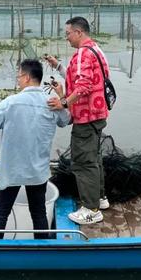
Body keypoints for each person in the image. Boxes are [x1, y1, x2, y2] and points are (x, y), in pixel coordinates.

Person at [0, 59, 70, 239]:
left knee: (1, 212)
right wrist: (62, 96)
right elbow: (66, 120)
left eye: (19, 76)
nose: (18, 80)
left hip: (12, 170)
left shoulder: (11, 102)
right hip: (38, 171)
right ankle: (42, 251)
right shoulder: (52, 103)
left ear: (27, 77)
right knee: (39, 213)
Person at [46, 16, 110, 225]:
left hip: (86, 116)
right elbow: (82, 78)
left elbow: (83, 87)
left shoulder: (83, 53)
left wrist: (64, 102)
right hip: (98, 114)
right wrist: (58, 67)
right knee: (94, 158)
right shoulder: (96, 50)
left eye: (68, 33)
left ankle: (91, 209)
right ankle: (99, 199)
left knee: (83, 162)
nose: (67, 38)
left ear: (79, 32)